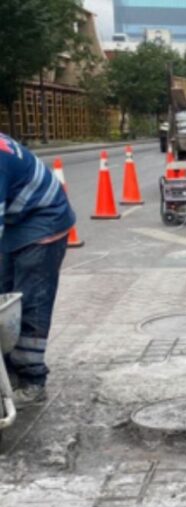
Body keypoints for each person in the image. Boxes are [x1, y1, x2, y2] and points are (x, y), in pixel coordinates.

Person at [0, 133, 76, 407]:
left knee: (30, 300)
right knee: (5, 296)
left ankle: (32, 381)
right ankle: (7, 373)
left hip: (44, 219)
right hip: (16, 219)